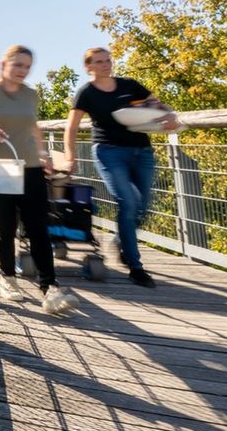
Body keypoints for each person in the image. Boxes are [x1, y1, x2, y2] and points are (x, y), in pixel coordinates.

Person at [0, 45, 79, 314]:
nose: (22, 71)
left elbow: (33, 127)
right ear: (3, 64)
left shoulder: (30, 94)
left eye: (27, 67)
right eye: (18, 65)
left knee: (38, 227)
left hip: (30, 167)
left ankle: (49, 288)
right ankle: (8, 279)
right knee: (6, 227)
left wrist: (44, 154)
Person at [63, 47, 180, 288]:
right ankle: (136, 267)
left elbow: (157, 106)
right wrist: (70, 156)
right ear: (89, 67)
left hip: (142, 151)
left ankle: (120, 242)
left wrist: (169, 116)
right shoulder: (86, 93)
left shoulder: (129, 85)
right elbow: (72, 126)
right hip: (109, 152)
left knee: (143, 206)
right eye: (99, 62)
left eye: (108, 60)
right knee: (128, 201)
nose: (106, 65)